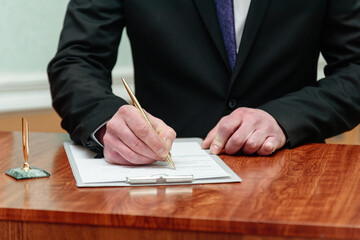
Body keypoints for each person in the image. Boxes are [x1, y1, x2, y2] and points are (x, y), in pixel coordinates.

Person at [48, 0, 360, 165]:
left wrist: (284, 119)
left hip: (290, 179)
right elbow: (76, 61)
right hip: (159, 181)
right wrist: (106, 119)